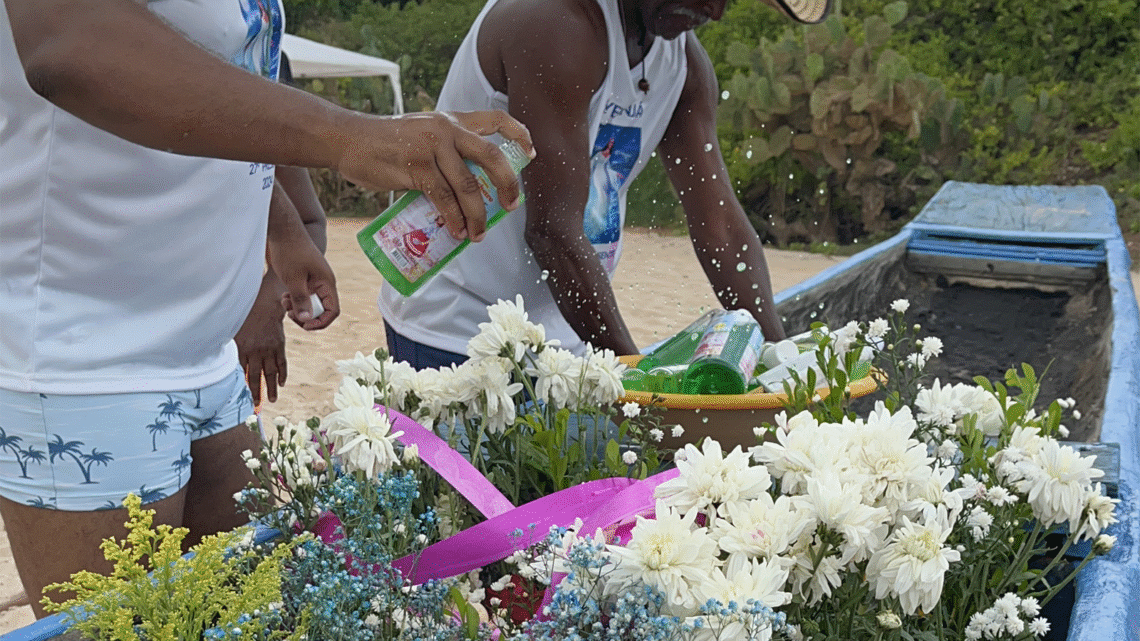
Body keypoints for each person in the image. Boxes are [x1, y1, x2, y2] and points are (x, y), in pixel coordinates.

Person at [0, 0, 532, 618]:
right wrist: (352, 136)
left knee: (247, 618)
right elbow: (69, 45)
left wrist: (280, 223)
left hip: (205, 356)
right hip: (86, 364)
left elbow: (221, 81)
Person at [378, 0, 829, 371]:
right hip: (455, 329)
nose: (716, 11)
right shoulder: (553, 22)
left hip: (565, 336)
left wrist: (780, 361)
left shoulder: (683, 66)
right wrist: (635, 378)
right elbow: (551, 230)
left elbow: (720, 224)